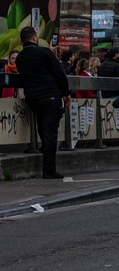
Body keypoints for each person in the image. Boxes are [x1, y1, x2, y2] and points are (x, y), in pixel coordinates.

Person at [14, 27, 70, 179]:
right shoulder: (45, 53)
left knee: (42, 128)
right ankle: (49, 170)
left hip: (33, 98)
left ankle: (46, 160)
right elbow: (60, 74)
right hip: (50, 96)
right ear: (34, 37)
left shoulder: (20, 58)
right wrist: (66, 94)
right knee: (50, 133)